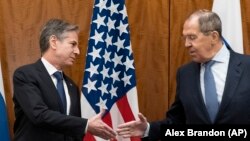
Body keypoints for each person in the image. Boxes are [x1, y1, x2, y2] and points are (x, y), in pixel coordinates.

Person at [116, 9, 250, 140]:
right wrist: (148, 129)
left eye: (192, 37)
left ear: (213, 37)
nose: (186, 44)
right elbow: (177, 121)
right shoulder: (185, 74)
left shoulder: (247, 67)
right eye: (185, 38)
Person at [12, 19, 116, 141]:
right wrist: (86, 124)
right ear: (54, 42)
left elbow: (73, 131)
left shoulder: (71, 86)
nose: (77, 51)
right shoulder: (25, 75)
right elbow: (39, 115)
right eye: (73, 44)